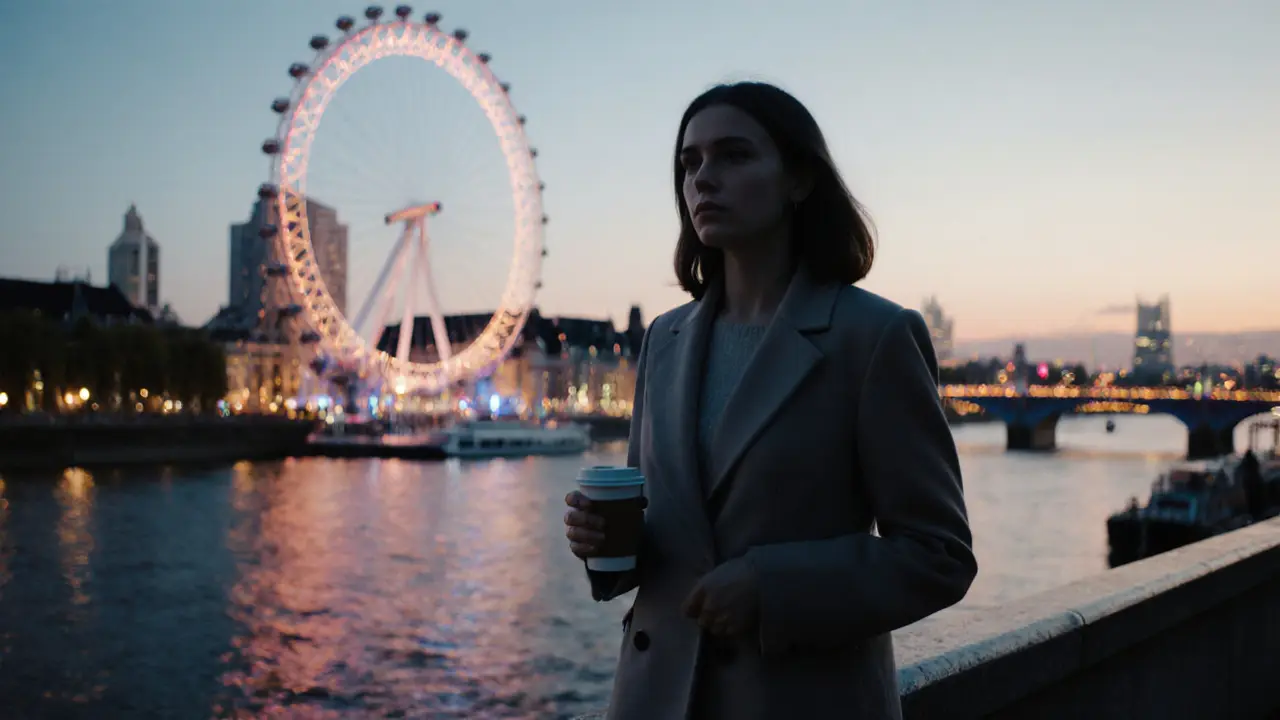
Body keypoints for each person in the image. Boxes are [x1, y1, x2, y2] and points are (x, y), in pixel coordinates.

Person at [563, 81, 978, 720]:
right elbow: (671, 538)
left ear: (799, 181)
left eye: (733, 155)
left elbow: (938, 555)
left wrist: (774, 586)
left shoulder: (872, 337)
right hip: (656, 696)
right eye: (690, 163)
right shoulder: (664, 339)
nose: (704, 179)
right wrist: (606, 545)